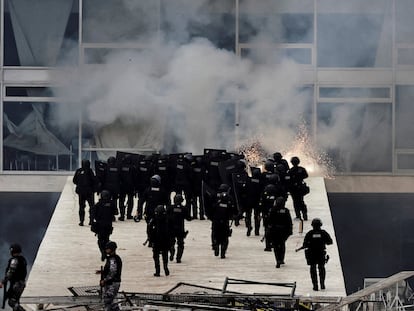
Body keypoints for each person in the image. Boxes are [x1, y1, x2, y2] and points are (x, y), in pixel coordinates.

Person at [300, 218, 333, 291]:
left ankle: (315, 285)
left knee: (313, 269)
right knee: (321, 268)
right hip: (320, 253)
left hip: (312, 254)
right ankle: (322, 284)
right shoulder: (323, 233)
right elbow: (330, 242)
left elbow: (305, 244)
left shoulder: (309, 233)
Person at [266, 197, 292, 268]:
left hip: (275, 230)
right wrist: (290, 231)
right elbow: (289, 221)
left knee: (276, 246)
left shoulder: (273, 210)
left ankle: (277, 259)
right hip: (283, 231)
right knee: (282, 245)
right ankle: (281, 259)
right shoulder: (286, 210)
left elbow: (269, 220)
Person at [91, 190, 117, 261]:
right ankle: (106, 251)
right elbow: (116, 212)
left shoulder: (98, 204)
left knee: (100, 240)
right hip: (108, 224)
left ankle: (103, 252)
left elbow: (93, 215)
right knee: (106, 239)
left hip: (100, 225)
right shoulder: (112, 204)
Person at [0, 243, 27, 311]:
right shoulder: (22, 259)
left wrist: (3, 282)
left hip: (16, 284)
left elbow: (10, 272)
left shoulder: (14, 260)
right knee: (15, 301)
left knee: (12, 302)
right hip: (20, 283)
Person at [98, 241, 122, 311]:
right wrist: (102, 272)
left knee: (108, 301)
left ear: (112, 249)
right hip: (113, 282)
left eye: (107, 248)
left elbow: (112, 272)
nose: (106, 250)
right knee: (113, 303)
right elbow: (111, 270)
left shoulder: (113, 259)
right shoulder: (112, 258)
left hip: (112, 283)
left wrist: (104, 280)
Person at [73, 159, 98, 226]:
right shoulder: (90, 171)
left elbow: (74, 181)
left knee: (81, 207)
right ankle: (91, 220)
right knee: (92, 206)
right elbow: (94, 180)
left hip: (81, 192)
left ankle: (81, 221)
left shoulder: (78, 171)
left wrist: (80, 184)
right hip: (89, 192)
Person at [148, 205, 171, 276]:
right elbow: (171, 229)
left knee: (156, 256)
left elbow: (149, 227)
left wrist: (151, 238)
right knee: (165, 255)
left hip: (156, 240)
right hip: (165, 240)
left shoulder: (154, 218)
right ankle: (165, 268)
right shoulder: (167, 218)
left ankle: (157, 271)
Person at [166, 194, 190, 263]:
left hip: (171, 228)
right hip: (180, 229)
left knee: (171, 242)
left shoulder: (170, 208)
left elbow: (166, 216)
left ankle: (172, 251)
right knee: (180, 244)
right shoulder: (183, 209)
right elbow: (188, 218)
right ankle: (178, 258)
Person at [288, 156, 309, 220]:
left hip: (294, 189)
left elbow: (289, 180)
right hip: (301, 187)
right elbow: (306, 176)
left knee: (295, 202)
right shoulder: (302, 169)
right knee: (301, 201)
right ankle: (304, 214)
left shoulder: (290, 171)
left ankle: (298, 216)